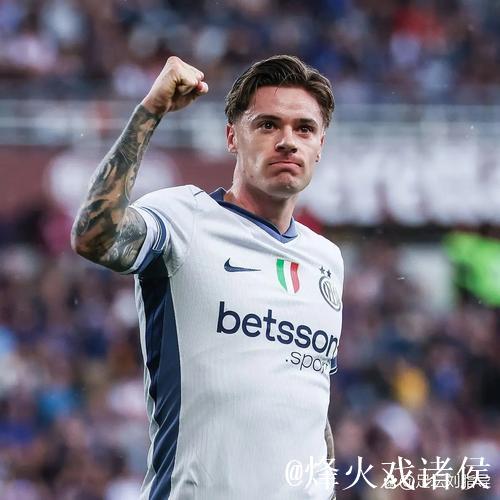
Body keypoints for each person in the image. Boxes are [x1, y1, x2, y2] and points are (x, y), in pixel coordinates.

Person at [71, 55, 343, 500]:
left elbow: (310, 401)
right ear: (233, 136)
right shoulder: (184, 217)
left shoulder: (327, 259)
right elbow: (93, 237)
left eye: (304, 129)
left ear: (320, 146)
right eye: (268, 125)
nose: (288, 142)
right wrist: (151, 109)